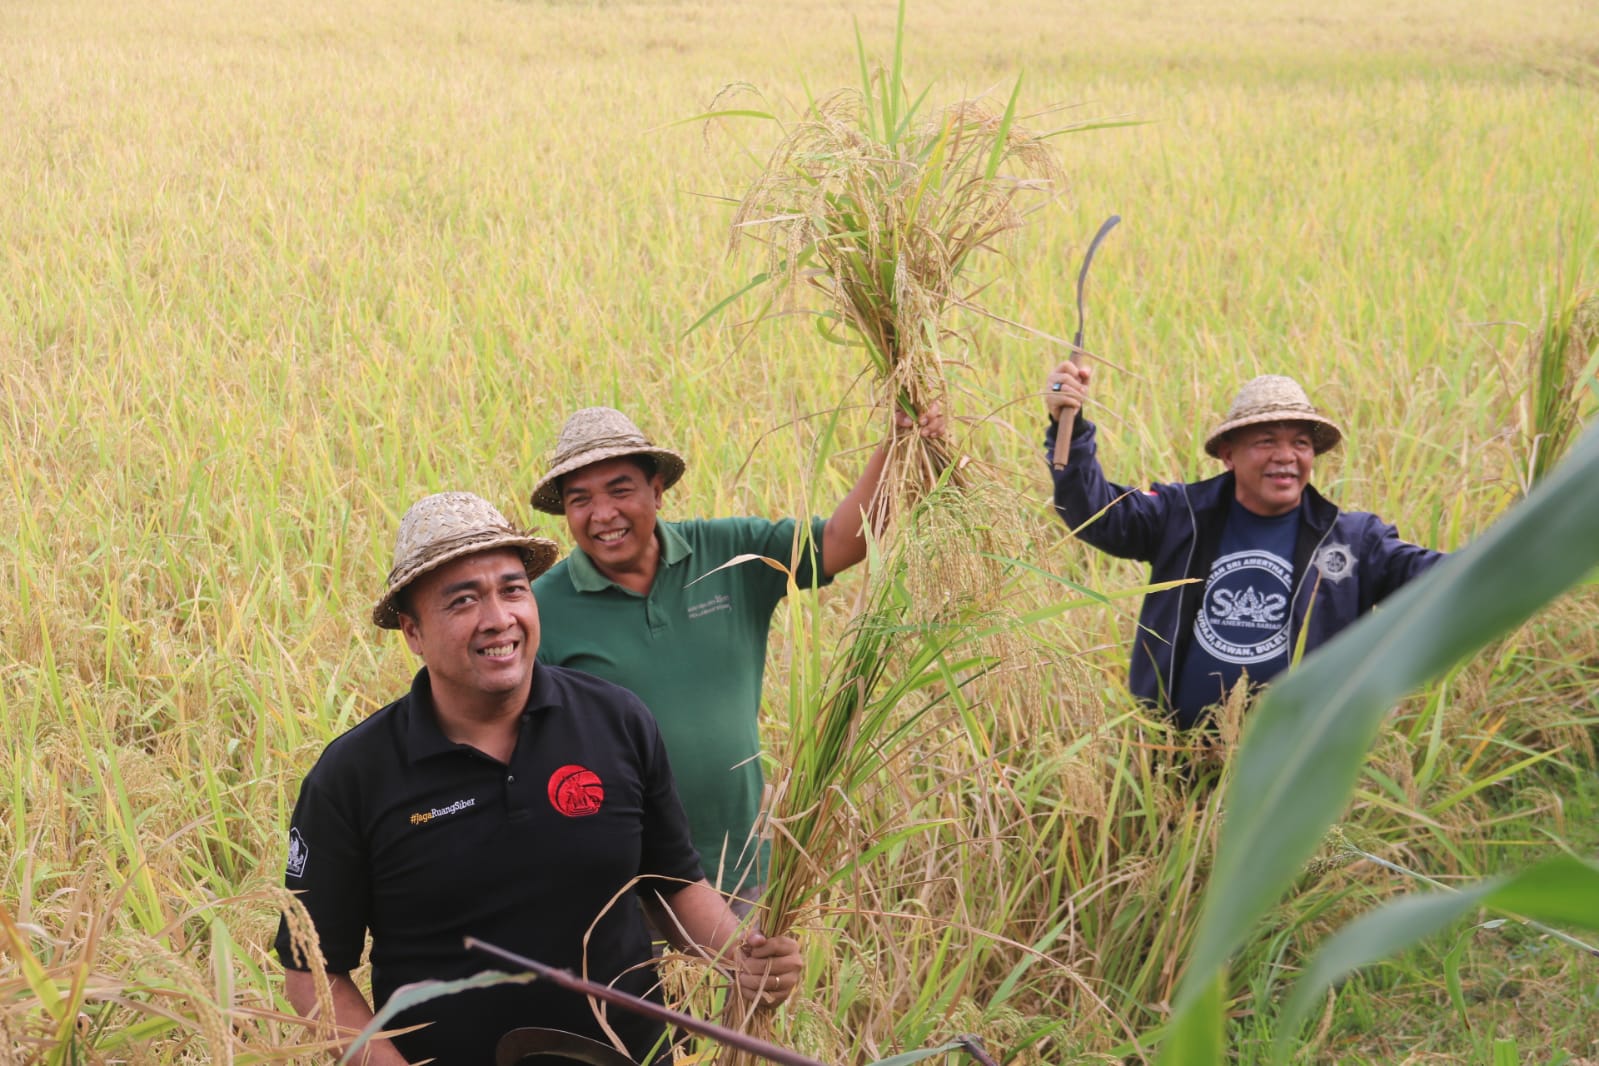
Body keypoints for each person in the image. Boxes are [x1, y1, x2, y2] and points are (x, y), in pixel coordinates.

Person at [274, 492, 801, 1066]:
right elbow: (313, 974)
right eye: (463, 601)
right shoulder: (354, 775)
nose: (498, 619)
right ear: (413, 632)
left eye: (512, 589)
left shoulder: (616, 720)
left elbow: (673, 884)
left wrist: (742, 956)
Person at [530, 406, 942, 905]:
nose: (603, 514)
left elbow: (837, 543)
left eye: (620, 490)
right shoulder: (541, 609)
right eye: (581, 500)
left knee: (752, 983)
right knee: (644, 988)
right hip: (631, 884)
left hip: (743, 864)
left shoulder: (730, 553)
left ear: (656, 491)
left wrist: (897, 446)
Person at [1044, 367, 1446, 728]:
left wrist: (1507, 554)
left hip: (1295, 762)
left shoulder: (1354, 540)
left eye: (1301, 443)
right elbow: (1094, 511)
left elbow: (1441, 576)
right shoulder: (1180, 516)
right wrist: (1071, 428)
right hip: (1172, 756)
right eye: (1266, 441)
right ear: (1228, 454)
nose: (1286, 457)